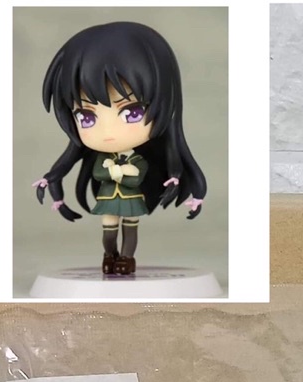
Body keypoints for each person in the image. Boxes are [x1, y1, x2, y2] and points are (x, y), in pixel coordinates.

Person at [34, 21, 207, 275]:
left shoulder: (137, 159)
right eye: (86, 117)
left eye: (131, 112)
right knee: (108, 232)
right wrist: (52, 179)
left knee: (130, 230)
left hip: (132, 201)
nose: (108, 132)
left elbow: (136, 175)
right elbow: (98, 172)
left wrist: (118, 172)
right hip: (108, 201)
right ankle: (109, 255)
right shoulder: (103, 159)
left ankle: (126, 259)